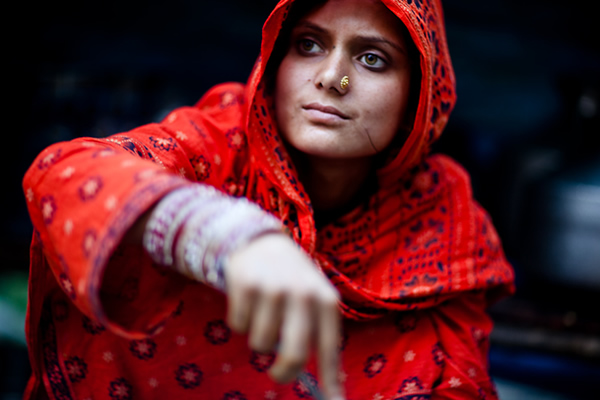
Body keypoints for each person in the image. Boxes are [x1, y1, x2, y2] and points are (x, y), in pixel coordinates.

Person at [22, 0, 514, 398]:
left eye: (372, 59)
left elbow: (460, 384)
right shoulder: (218, 144)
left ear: (418, 97)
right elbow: (65, 173)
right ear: (275, 60)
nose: (332, 78)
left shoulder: (441, 218)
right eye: (308, 45)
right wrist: (222, 236)